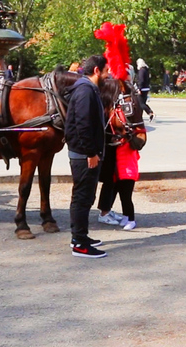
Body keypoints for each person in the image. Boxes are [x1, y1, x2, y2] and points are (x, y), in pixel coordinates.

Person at [65, 55, 108, 259]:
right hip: (84, 155)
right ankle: (79, 244)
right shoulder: (84, 90)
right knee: (82, 197)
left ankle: (81, 236)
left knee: (86, 196)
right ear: (97, 71)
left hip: (86, 154)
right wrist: (91, 153)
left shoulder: (87, 89)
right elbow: (82, 124)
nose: (108, 75)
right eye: (106, 71)